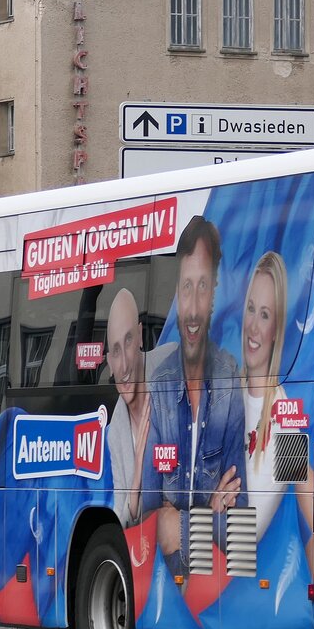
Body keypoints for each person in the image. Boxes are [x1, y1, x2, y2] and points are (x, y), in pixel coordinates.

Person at [141, 215, 247, 577]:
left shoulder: (230, 378)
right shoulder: (160, 381)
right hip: (186, 560)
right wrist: (208, 511)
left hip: (216, 562)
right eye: (187, 286)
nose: (193, 304)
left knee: (173, 526)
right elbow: (148, 505)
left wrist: (182, 524)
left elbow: (240, 509)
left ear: (214, 294)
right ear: (176, 294)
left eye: (203, 286)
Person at [240, 252, 314, 536]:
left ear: (276, 330)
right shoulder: (225, 394)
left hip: (233, 550)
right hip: (207, 544)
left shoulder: (281, 412)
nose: (253, 327)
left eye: (265, 314)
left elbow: (304, 484)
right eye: (250, 309)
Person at [105, 287, 151, 528]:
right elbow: (122, 517)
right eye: (115, 350)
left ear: (141, 337)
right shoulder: (115, 433)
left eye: (129, 340)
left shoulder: (167, 375)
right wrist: (137, 478)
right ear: (110, 363)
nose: (124, 366)